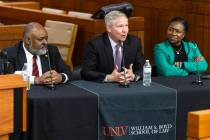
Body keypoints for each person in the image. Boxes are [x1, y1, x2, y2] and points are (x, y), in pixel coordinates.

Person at [81, 10, 145, 83]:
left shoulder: (134, 42)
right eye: (120, 26)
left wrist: (134, 76)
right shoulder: (95, 44)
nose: (125, 30)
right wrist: (109, 78)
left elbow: (144, 68)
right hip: (104, 89)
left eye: (126, 25)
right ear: (109, 28)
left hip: (129, 86)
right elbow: (86, 72)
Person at [4, 22, 72, 85]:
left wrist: (61, 77)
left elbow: (67, 72)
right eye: (40, 39)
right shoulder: (9, 54)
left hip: (47, 93)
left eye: (46, 38)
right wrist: (36, 80)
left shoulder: (51, 51)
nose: (45, 42)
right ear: (28, 40)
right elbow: (7, 77)